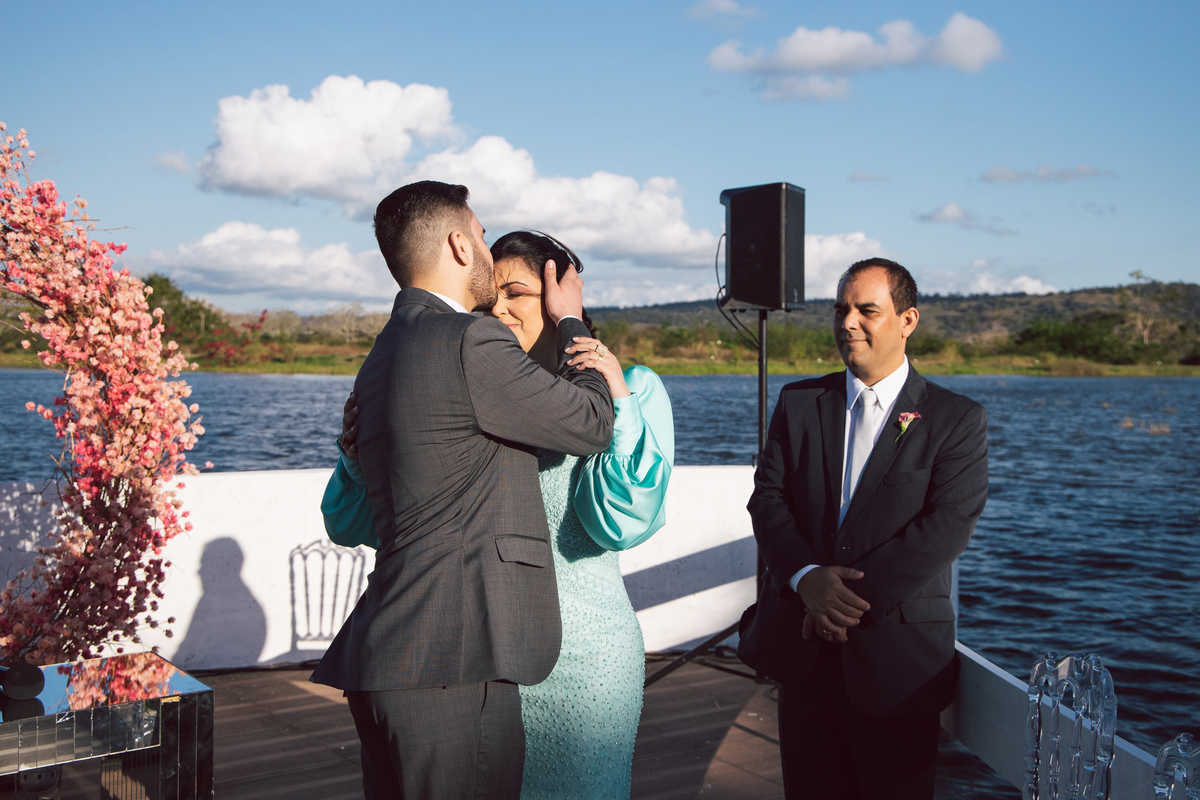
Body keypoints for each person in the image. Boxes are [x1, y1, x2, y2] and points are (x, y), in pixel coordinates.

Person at [324, 230, 674, 799]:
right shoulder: (458, 390)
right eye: (490, 298)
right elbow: (351, 524)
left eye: (518, 293)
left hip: (583, 661)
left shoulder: (630, 385)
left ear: (563, 300)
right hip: (482, 658)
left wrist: (618, 405)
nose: (499, 309)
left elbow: (622, 522)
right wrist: (356, 457)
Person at [737, 258, 988, 800]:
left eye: (866, 310)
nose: (848, 322)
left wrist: (840, 602)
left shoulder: (957, 419)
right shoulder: (800, 402)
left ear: (908, 320)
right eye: (841, 310)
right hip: (804, 661)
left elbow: (945, 527)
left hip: (896, 667)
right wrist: (806, 579)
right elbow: (768, 499)